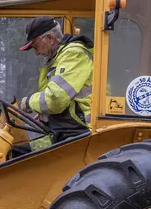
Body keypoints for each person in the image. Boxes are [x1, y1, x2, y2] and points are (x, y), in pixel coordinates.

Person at [17, 15, 94, 145]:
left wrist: (29, 102)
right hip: (65, 130)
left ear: (50, 38)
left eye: (36, 46)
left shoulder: (74, 54)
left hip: (82, 132)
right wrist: (45, 113)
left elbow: (56, 99)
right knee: (18, 152)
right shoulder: (58, 58)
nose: (36, 52)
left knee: (21, 157)